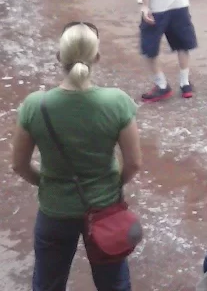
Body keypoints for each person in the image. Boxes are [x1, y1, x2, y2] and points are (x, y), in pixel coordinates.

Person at [12, 23, 141, 290]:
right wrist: (112, 185)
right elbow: (134, 163)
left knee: (48, 282)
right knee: (113, 283)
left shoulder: (36, 105)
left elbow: (19, 165)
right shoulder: (116, 102)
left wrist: (47, 183)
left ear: (59, 57)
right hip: (105, 208)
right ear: (97, 57)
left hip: (55, 210)